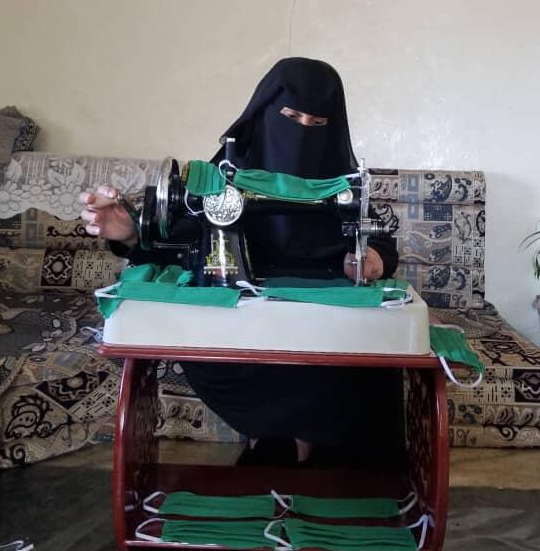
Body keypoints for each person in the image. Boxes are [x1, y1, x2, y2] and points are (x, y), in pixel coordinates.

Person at [79, 57, 403, 466]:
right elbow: (175, 236)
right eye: (290, 117)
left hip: (321, 316)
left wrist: (374, 260)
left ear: (333, 126)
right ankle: (281, 436)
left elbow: (379, 240)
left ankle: (310, 446)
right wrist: (128, 231)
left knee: (363, 348)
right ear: (264, 113)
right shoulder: (224, 175)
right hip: (238, 313)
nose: (301, 132)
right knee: (202, 341)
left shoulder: (342, 179)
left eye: (316, 124)